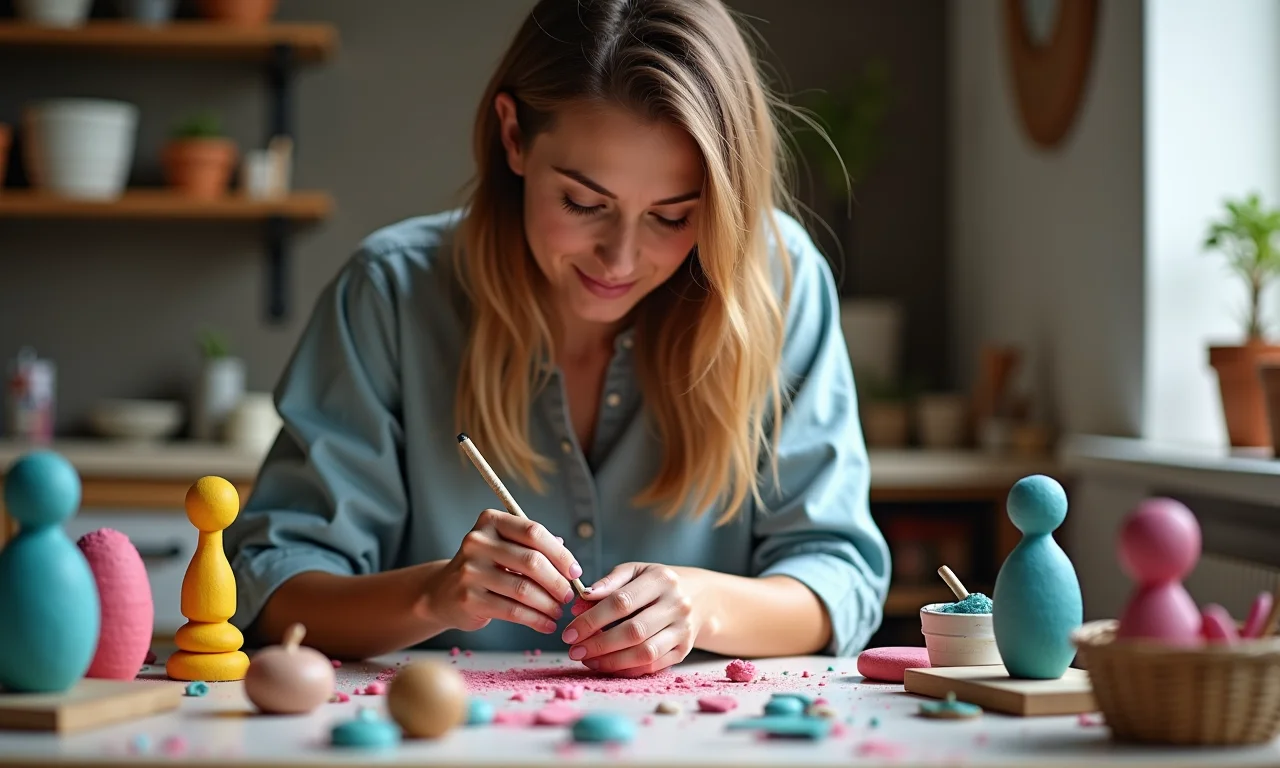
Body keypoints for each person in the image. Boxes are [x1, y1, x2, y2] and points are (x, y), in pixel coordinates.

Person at [224, 0, 890, 675]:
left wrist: (703, 605)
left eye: (672, 216)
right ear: (512, 136)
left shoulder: (778, 279)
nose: (621, 260)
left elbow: (838, 576)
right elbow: (275, 589)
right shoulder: (391, 293)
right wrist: (432, 596)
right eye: (584, 203)